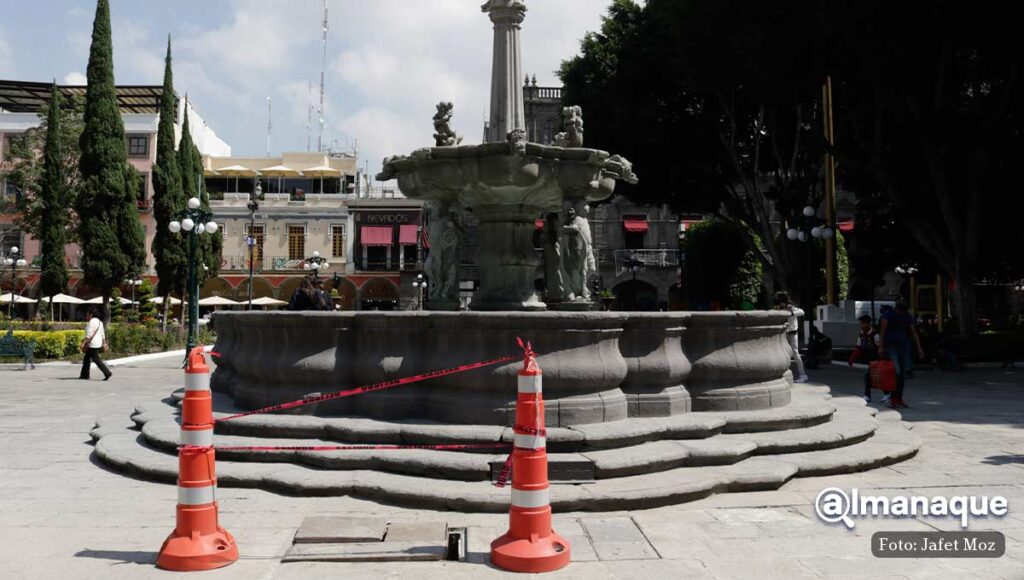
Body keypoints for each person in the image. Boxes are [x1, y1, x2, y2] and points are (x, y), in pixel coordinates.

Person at [879, 300, 925, 408]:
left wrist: (919, 348)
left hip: (902, 345)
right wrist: (881, 347)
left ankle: (898, 397)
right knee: (897, 371)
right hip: (891, 345)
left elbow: (913, 332)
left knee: (902, 373)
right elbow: (882, 331)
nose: (901, 313)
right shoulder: (888, 315)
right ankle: (892, 396)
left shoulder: (907, 316)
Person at [776, 292, 808, 383]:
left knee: (795, 353)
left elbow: (802, 312)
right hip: (784, 334)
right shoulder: (779, 308)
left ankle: (803, 375)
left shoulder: (791, 307)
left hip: (793, 333)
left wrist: (792, 313)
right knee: (783, 353)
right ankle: (784, 374)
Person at [849, 315, 881, 402]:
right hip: (869, 359)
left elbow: (880, 347)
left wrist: (881, 360)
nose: (861, 326)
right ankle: (887, 393)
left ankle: (867, 395)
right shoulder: (861, 334)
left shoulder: (875, 334)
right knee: (873, 377)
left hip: (876, 359)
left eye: (863, 324)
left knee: (868, 376)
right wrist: (852, 357)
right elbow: (858, 347)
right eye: (860, 324)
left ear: (868, 323)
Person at [80, 307, 111, 381]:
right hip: (98, 343)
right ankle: (84, 375)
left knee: (96, 359)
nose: (87, 315)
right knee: (87, 358)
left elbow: (89, 334)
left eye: (88, 313)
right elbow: (102, 334)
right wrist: (103, 342)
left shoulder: (92, 322)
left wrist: (84, 342)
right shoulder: (100, 322)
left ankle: (107, 373)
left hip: (92, 344)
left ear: (91, 314)